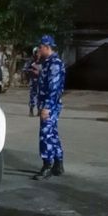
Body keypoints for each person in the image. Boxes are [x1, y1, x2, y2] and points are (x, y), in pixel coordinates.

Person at [32, 35, 66, 181]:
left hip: (50, 105)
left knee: (45, 135)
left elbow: (54, 88)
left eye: (40, 47)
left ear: (47, 47)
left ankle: (47, 165)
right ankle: (58, 164)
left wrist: (46, 107)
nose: (38, 50)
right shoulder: (47, 63)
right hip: (48, 104)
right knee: (52, 134)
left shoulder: (54, 64)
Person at [21, 47, 40, 116]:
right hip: (33, 79)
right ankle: (31, 110)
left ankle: (39, 110)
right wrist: (32, 70)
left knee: (40, 95)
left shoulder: (42, 60)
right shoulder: (31, 60)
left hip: (41, 80)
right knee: (33, 95)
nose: (38, 54)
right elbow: (25, 69)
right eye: (37, 52)